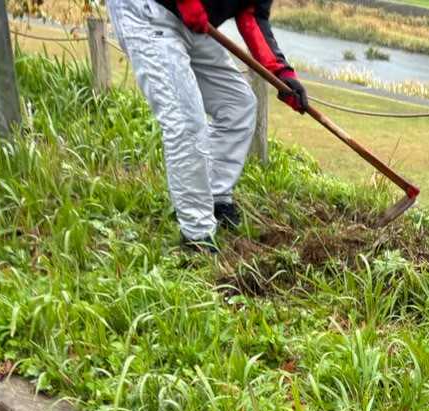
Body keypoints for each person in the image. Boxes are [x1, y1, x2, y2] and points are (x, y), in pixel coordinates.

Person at [106, 0, 309, 251]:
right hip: (148, 11)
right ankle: (197, 233)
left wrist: (282, 75)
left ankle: (215, 196)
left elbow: (252, 15)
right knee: (186, 123)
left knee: (238, 103)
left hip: (192, 21)